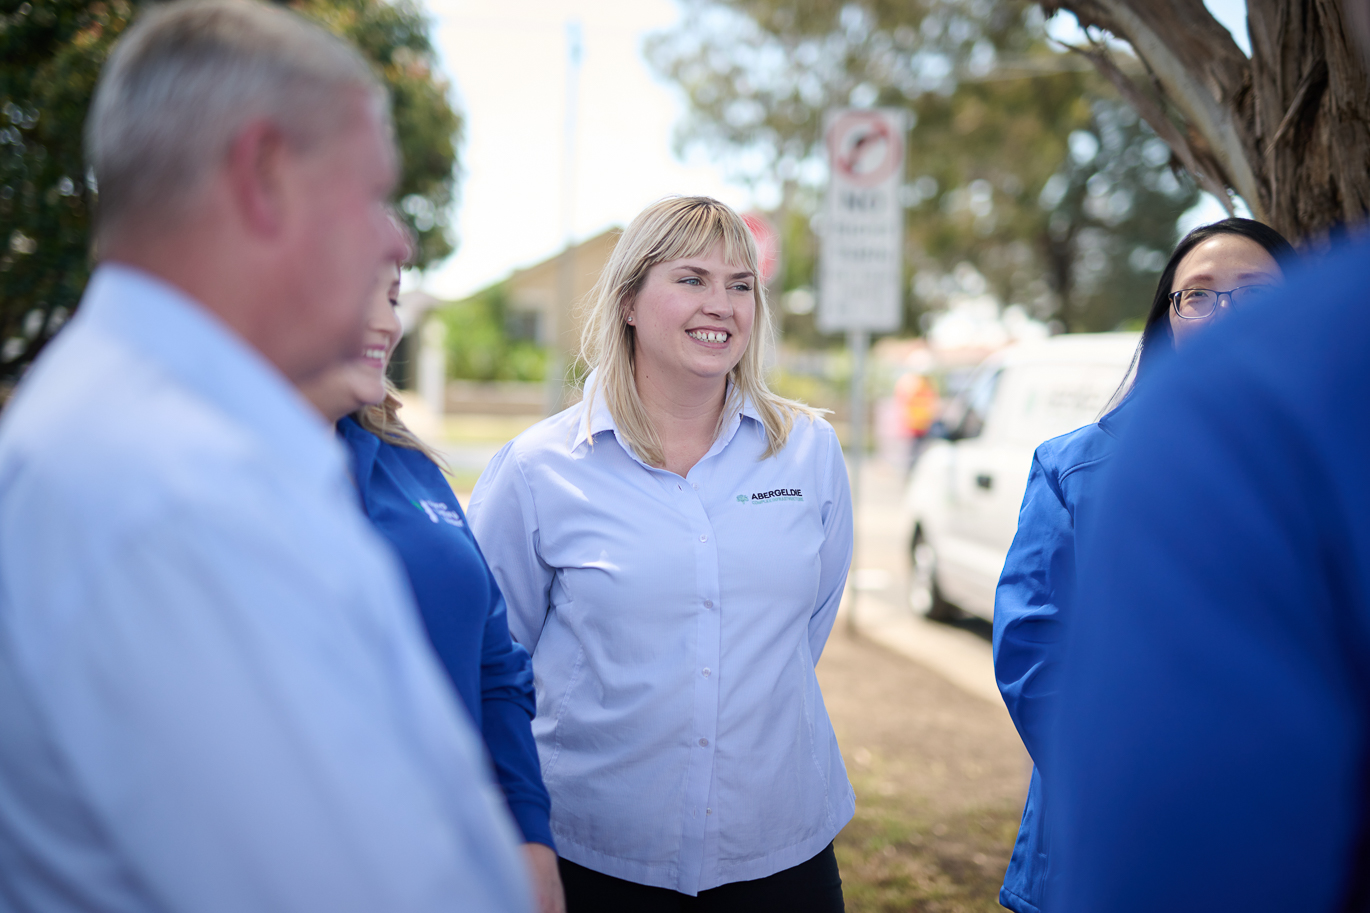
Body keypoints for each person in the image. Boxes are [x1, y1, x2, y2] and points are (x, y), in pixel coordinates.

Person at [0, 3, 530, 911]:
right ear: (267, 176)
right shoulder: (173, 492)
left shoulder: (154, 432)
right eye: (369, 195)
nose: (394, 241)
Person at [466, 196, 855, 912]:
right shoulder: (538, 468)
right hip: (596, 856)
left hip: (781, 856)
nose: (723, 304)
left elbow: (801, 632)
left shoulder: (808, 453)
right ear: (629, 303)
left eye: (741, 285)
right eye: (693, 279)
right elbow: (494, 660)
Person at [991, 218, 1295, 913]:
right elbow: (1035, 659)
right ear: (1169, 318)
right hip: (1113, 834)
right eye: (1199, 295)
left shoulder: (1337, 464)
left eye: (1254, 291)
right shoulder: (1074, 468)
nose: (1224, 313)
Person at [297, 243, 565, 913]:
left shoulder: (407, 462)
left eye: (393, 297)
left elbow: (495, 667)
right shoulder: (210, 479)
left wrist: (531, 835)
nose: (387, 322)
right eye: (363, 288)